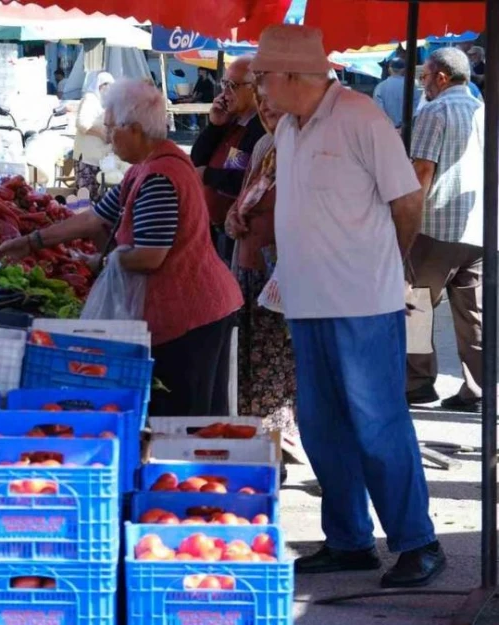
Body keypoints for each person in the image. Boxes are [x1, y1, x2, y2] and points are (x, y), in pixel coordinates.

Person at [254, 24, 444, 588]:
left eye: (263, 76)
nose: (259, 87)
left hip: (362, 299)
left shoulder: (360, 115)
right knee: (321, 425)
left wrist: (392, 257)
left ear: (291, 75)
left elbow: (408, 198)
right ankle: (349, 540)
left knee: (377, 423)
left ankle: (418, 541)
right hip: (307, 301)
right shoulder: (289, 127)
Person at [0, 78, 243, 416]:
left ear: (135, 129)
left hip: (191, 312)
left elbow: (151, 257)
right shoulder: (147, 167)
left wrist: (106, 261)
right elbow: (95, 218)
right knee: (196, 414)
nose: (108, 137)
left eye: (112, 129)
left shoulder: (160, 177)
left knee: (185, 416)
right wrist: (31, 242)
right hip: (199, 306)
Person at [406, 47, 485, 413]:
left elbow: (422, 171)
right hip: (480, 228)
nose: (423, 84)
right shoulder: (484, 110)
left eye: (425, 77)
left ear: (440, 77)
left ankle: (418, 382)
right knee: (474, 316)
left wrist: (407, 222)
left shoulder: (434, 111)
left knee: (416, 305)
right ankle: (478, 388)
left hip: (436, 227)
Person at [222, 91, 296, 433]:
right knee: (250, 360)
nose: (266, 107)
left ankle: (276, 440)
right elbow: (240, 200)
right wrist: (232, 218)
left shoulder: (301, 150)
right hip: (250, 268)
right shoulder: (266, 146)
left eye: (274, 100)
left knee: (276, 363)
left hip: (284, 275)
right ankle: (258, 436)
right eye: (261, 100)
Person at [190, 55, 266, 265]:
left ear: (254, 88)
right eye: (224, 84)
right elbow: (197, 158)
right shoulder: (230, 120)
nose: (225, 93)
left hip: (236, 231)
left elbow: (243, 179)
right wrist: (214, 125)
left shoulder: (259, 128)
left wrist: (208, 175)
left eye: (233, 86)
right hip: (214, 227)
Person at [73, 71, 114, 201]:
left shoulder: (103, 103)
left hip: (99, 159)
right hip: (86, 158)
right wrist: (101, 133)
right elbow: (82, 124)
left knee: (97, 198)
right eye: (108, 86)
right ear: (101, 86)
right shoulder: (90, 99)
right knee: (86, 198)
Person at [373, 58, 421, 129]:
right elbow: (417, 108)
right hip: (408, 130)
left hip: (388, 130)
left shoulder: (380, 87)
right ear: (404, 70)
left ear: (389, 70)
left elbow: (379, 111)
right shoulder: (413, 86)